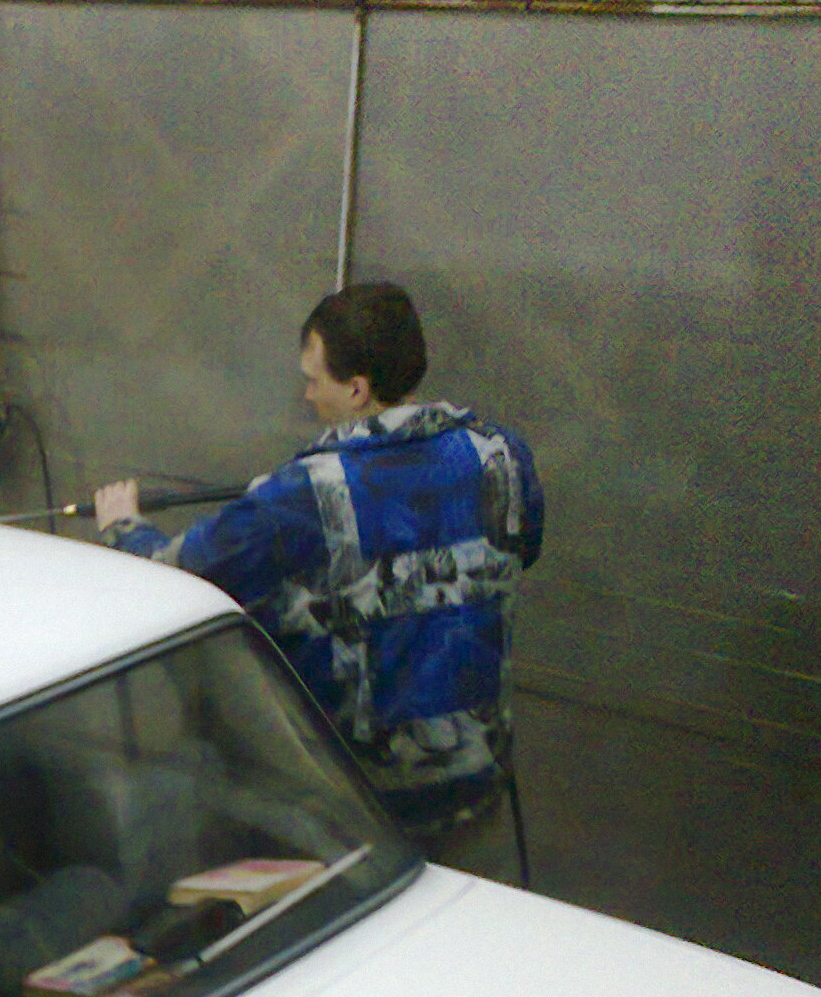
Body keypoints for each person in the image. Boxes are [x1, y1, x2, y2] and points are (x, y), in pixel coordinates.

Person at [94, 283, 543, 868]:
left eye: (313, 380)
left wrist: (123, 527)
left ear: (357, 389)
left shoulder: (307, 492)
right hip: (477, 792)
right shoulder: (500, 456)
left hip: (363, 812)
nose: (306, 394)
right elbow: (520, 552)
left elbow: (174, 577)